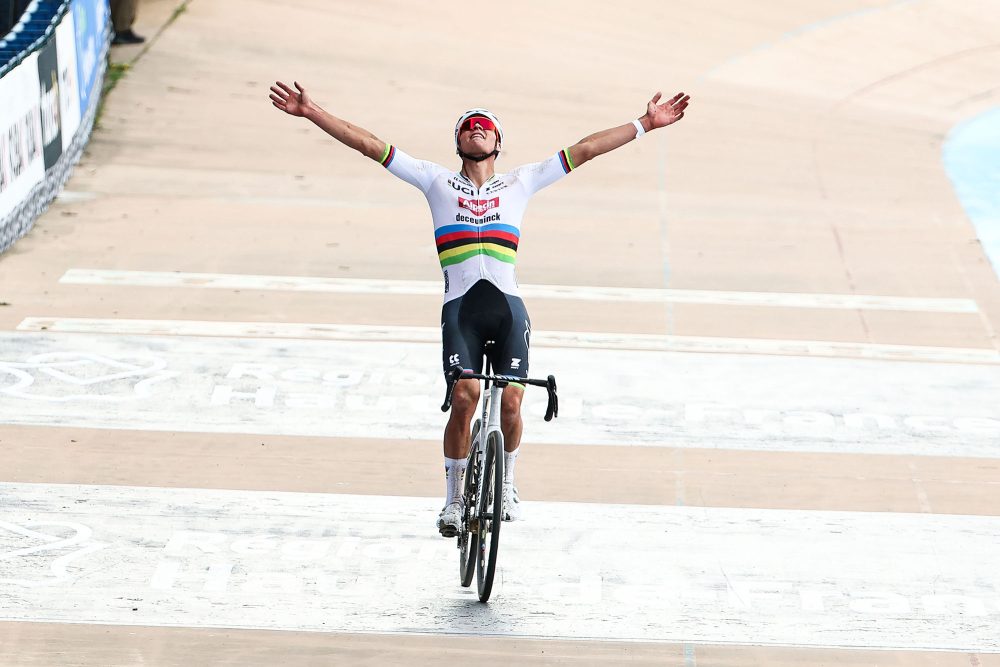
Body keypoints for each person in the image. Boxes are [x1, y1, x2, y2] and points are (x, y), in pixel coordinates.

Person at [269, 81, 690, 536]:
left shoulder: (521, 181)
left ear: (498, 143)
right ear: (458, 142)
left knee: (512, 402)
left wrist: (645, 124)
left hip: (507, 306)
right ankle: (451, 502)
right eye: (468, 127)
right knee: (466, 397)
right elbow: (371, 145)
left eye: (485, 126)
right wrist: (314, 113)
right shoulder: (434, 179)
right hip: (461, 309)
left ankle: (507, 483)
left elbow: (585, 149)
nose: (476, 130)